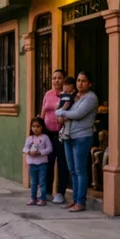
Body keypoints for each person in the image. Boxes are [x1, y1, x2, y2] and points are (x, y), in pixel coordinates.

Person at [56, 70, 99, 213]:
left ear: (90, 83)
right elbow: (63, 107)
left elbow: (78, 114)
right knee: (72, 170)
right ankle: (74, 200)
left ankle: (81, 202)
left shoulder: (91, 98)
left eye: (84, 81)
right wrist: (62, 114)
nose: (80, 83)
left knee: (80, 170)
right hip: (69, 136)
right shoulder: (74, 96)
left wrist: (62, 113)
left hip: (82, 137)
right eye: (79, 80)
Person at [40, 69, 70, 204]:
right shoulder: (48, 94)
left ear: (64, 80)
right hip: (47, 132)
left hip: (61, 133)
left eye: (59, 78)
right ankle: (47, 191)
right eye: (54, 78)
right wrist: (40, 130)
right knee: (48, 162)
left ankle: (60, 192)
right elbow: (43, 112)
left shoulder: (67, 96)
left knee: (62, 162)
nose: (56, 80)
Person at [22, 117, 53, 206]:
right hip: (32, 164)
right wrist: (29, 152)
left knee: (42, 182)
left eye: (38, 126)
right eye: (33, 126)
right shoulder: (29, 138)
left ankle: (43, 198)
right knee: (33, 182)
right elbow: (25, 148)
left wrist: (40, 152)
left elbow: (50, 149)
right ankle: (33, 198)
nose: (35, 128)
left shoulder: (45, 137)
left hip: (42, 163)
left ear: (42, 127)